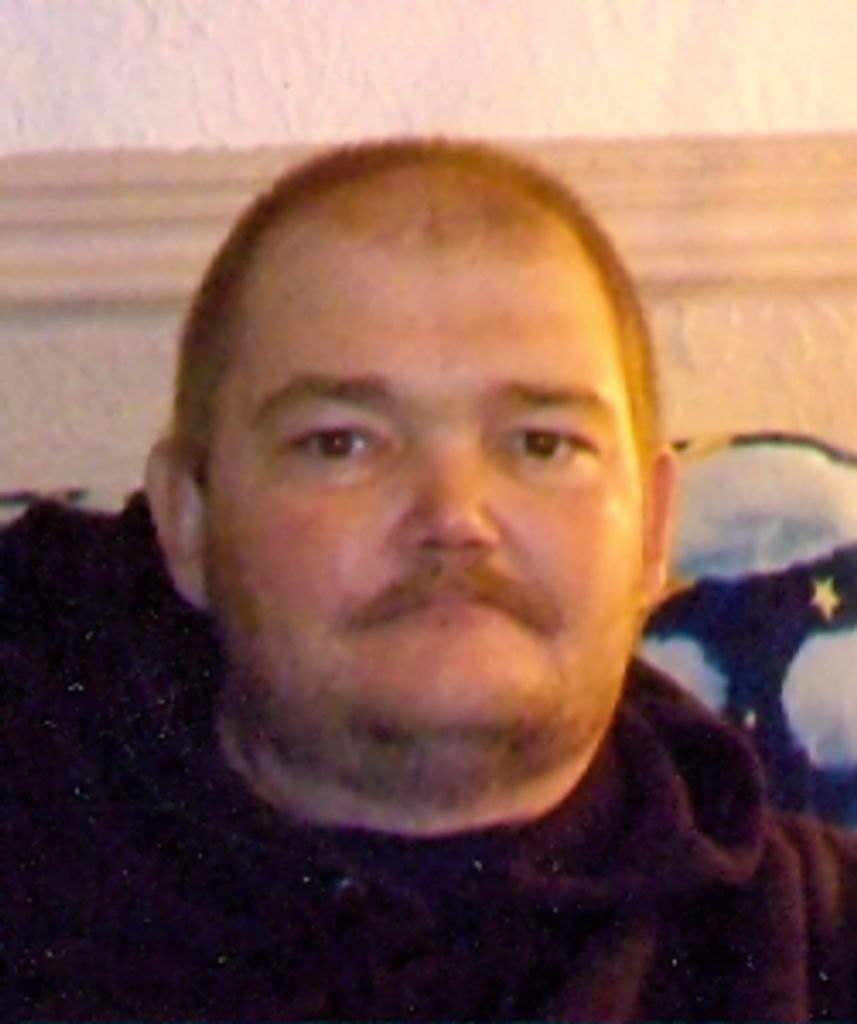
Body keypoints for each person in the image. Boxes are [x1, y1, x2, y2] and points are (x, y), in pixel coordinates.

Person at [3, 139, 857, 1021]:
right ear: (187, 522)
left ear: (652, 530)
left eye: (541, 444)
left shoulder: (821, 949)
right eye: (341, 444)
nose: (453, 517)